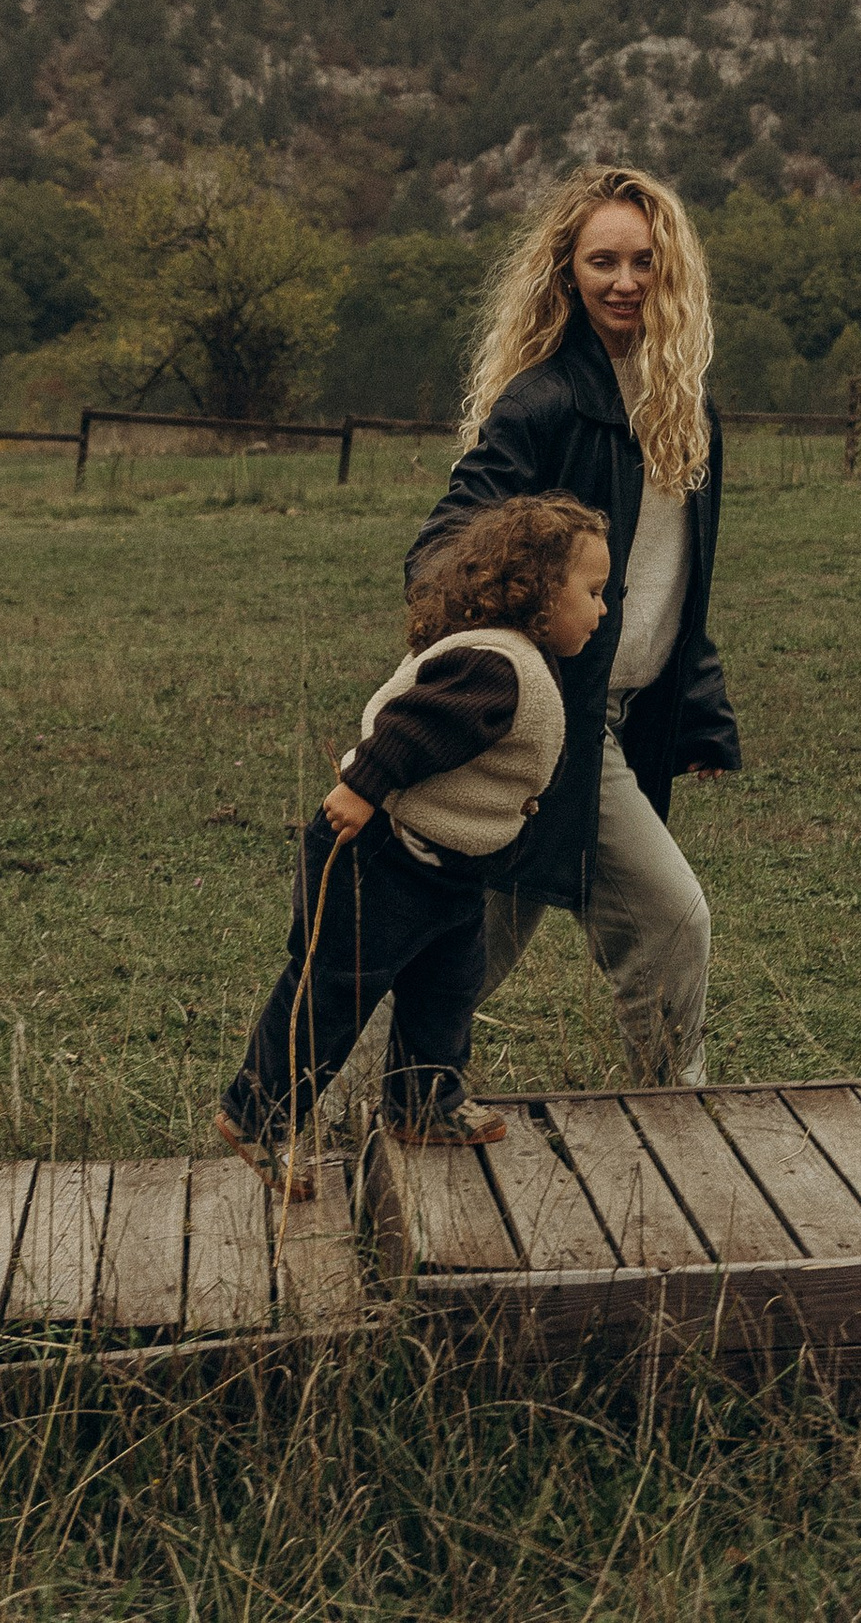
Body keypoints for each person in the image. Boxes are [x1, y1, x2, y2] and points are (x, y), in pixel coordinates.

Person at [409, 161, 740, 1087]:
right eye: (603, 261)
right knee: (670, 917)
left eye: (644, 261)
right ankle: (674, 1122)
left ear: (672, 271)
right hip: (549, 722)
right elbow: (439, 557)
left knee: (467, 946)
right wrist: (529, 629)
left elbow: (678, 579)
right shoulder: (542, 404)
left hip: (628, 713)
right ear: (567, 273)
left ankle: (368, 1101)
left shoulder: (689, 411)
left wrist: (701, 706)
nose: (625, 281)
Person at [218, 493, 611, 1200]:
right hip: (380, 854)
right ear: (537, 593)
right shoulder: (496, 664)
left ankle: (422, 1100)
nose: (602, 608)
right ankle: (258, 1115)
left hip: (445, 869)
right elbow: (413, 726)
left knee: (448, 983)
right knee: (337, 988)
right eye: (592, 591)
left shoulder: (516, 655)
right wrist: (363, 786)